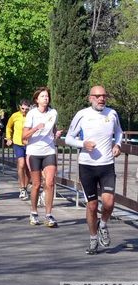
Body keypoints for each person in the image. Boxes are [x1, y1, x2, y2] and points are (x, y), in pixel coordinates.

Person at [65, 86, 123, 255]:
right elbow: (69, 138)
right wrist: (83, 144)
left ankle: (103, 225)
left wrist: (117, 144)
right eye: (97, 96)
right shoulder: (82, 115)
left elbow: (119, 132)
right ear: (90, 98)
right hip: (87, 166)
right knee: (92, 206)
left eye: (104, 96)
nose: (101, 99)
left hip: (106, 166)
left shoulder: (112, 114)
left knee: (109, 203)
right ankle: (92, 239)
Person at [22, 87, 63, 227]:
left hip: (49, 151)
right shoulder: (32, 114)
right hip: (34, 152)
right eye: (42, 96)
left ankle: (48, 215)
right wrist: (35, 129)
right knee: (37, 184)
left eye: (47, 96)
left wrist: (57, 134)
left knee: (50, 182)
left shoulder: (53, 113)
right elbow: (24, 136)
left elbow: (53, 129)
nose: (45, 98)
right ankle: (34, 212)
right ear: (36, 99)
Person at [6, 99, 31, 200]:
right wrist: (9, 138)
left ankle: (25, 186)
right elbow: (8, 127)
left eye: (26, 109)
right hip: (18, 143)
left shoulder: (31, 115)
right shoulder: (15, 116)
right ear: (19, 107)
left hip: (29, 144)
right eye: (23, 108)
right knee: (21, 165)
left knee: (28, 167)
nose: (24, 110)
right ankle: (22, 187)